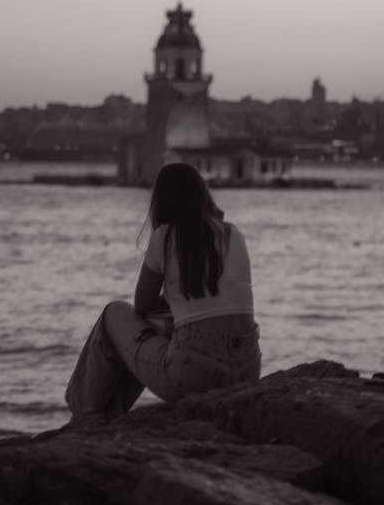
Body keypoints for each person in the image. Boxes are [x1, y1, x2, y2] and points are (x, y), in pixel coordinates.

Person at [65, 162, 261, 421]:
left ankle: (85, 415)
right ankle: (110, 416)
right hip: (247, 370)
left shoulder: (165, 237)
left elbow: (142, 305)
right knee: (159, 325)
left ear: (163, 202)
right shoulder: (233, 234)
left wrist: (169, 295)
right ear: (203, 195)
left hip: (193, 375)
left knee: (114, 314)